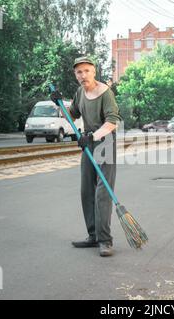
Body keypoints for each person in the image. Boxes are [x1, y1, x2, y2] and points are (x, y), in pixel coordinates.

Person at [51, 56, 121, 257]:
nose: (83, 75)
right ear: (76, 75)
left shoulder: (105, 93)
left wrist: (92, 136)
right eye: (79, 72)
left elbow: (112, 122)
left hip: (105, 141)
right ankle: (93, 236)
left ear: (94, 71)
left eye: (86, 71)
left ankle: (105, 241)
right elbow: (71, 115)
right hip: (88, 142)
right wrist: (59, 104)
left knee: (102, 193)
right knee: (86, 191)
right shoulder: (80, 92)